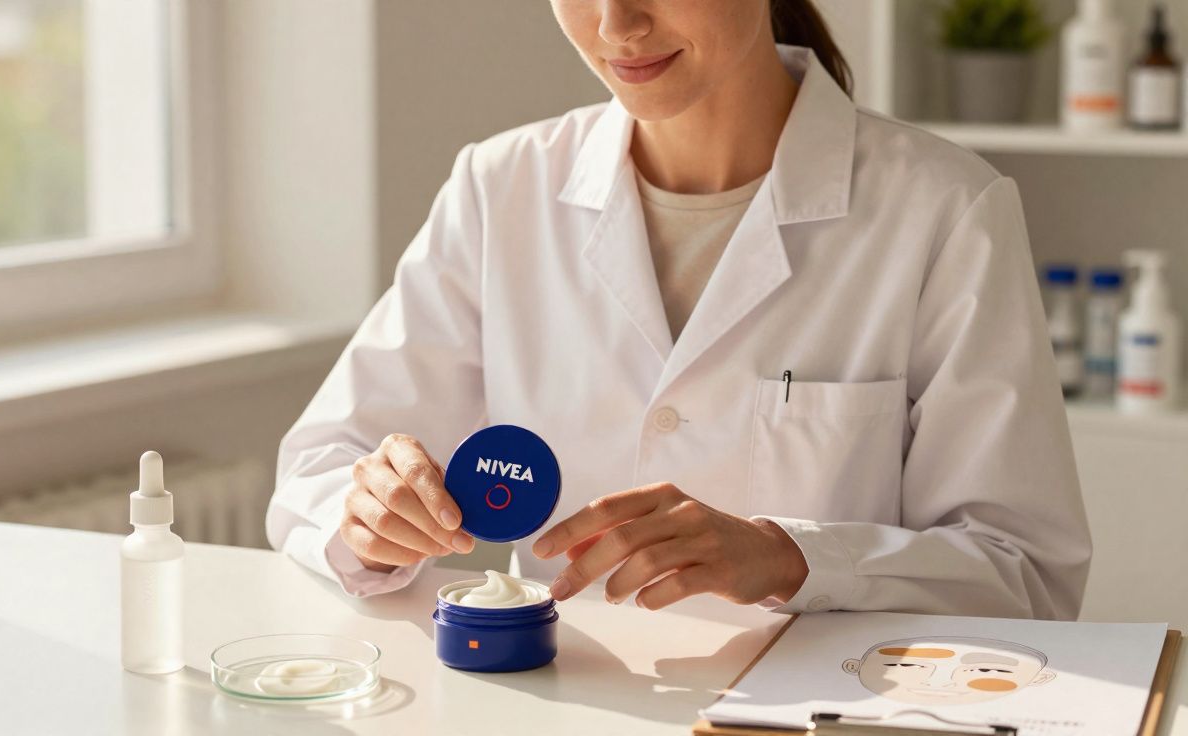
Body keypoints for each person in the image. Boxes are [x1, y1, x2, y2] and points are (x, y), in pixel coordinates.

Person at [266, 0, 1092, 619]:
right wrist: (370, 510)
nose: (615, 22)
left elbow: (1023, 573)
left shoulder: (944, 209)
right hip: (563, 703)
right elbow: (319, 466)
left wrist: (792, 558)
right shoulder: (501, 186)